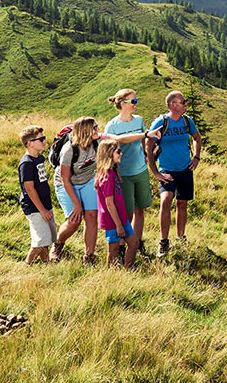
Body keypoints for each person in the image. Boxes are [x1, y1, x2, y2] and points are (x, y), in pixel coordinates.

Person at [49, 116, 157, 265]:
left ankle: (89, 256)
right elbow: (65, 179)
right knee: (74, 220)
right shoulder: (69, 150)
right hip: (66, 183)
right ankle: (58, 243)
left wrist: (146, 135)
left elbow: (120, 139)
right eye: (94, 127)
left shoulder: (98, 140)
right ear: (85, 131)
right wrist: (77, 204)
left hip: (87, 181)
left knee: (92, 216)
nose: (98, 129)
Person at [146, 90, 202, 258]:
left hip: (185, 169)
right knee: (165, 201)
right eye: (183, 101)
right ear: (173, 105)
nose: (186, 104)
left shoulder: (187, 121)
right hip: (167, 170)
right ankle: (163, 241)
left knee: (182, 203)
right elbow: (148, 146)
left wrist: (197, 157)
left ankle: (180, 237)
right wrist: (155, 172)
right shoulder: (161, 122)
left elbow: (197, 138)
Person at [105, 89, 152, 257]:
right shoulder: (112, 126)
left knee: (140, 210)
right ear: (123, 104)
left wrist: (145, 155)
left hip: (140, 171)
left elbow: (142, 140)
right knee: (127, 213)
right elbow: (112, 147)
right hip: (123, 174)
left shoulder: (139, 121)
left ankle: (137, 244)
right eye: (133, 101)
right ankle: (123, 246)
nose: (136, 104)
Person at [95, 140, 139, 269]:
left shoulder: (113, 172)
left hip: (121, 218)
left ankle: (128, 270)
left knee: (134, 243)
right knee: (113, 249)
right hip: (112, 220)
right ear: (109, 154)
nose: (121, 153)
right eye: (118, 151)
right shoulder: (106, 177)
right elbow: (109, 204)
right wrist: (119, 225)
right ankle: (111, 274)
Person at [17, 125, 56, 265]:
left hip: (44, 204)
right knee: (40, 241)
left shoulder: (39, 158)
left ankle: (46, 264)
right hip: (35, 207)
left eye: (44, 138)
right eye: (40, 139)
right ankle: (27, 264)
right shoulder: (26, 164)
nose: (44, 141)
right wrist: (42, 210)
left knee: (46, 238)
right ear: (29, 144)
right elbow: (29, 189)